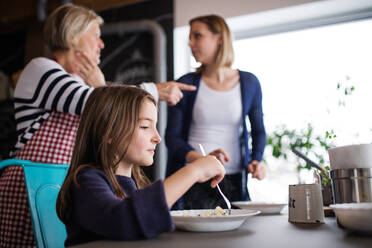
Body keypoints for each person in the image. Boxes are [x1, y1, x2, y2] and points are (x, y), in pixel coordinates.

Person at [0, 4, 195, 247]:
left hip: (58, 184)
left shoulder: (79, 83)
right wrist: (154, 90)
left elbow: (105, 104)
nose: (101, 44)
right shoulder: (41, 68)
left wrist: (102, 86)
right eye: (95, 35)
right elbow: (96, 105)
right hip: (29, 186)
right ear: (72, 35)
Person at [56, 86, 225, 246]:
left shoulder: (136, 183)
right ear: (107, 132)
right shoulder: (85, 181)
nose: (157, 137)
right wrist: (193, 171)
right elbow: (123, 221)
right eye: (145, 126)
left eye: (155, 127)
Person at [165, 14, 266, 210]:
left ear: (219, 38)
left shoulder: (249, 83)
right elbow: (172, 138)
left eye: (197, 36)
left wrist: (256, 159)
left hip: (236, 179)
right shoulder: (186, 83)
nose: (190, 43)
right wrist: (202, 161)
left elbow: (259, 130)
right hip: (194, 179)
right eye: (190, 37)